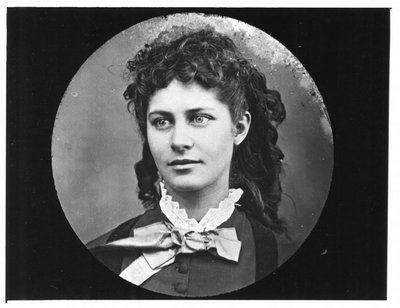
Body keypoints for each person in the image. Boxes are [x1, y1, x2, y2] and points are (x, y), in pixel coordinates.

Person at [87, 28, 287, 297]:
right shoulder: (101, 255)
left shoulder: (279, 257)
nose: (179, 140)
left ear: (239, 128)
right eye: (162, 121)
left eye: (199, 118)